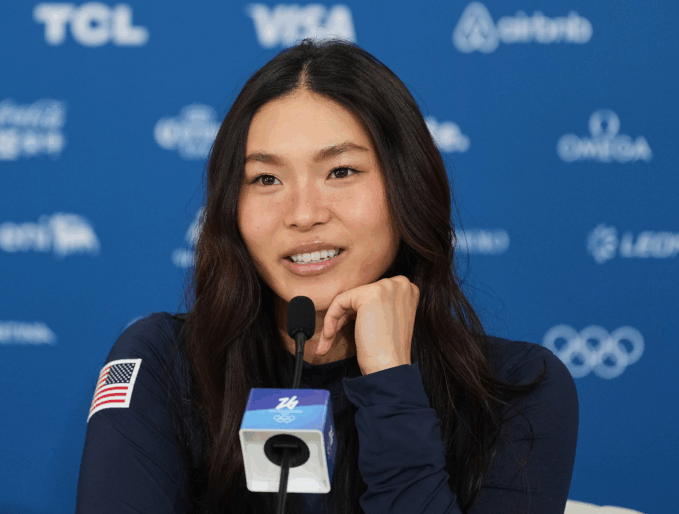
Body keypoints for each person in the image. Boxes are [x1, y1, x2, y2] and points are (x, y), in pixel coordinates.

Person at [76, 39, 578, 514]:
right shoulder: (163, 363)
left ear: (407, 185)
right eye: (266, 179)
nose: (303, 214)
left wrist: (391, 382)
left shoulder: (517, 389)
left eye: (341, 171)